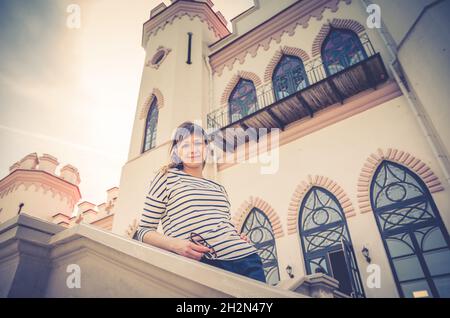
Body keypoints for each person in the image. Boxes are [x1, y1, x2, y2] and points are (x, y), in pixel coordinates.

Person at [134, 121, 266, 283]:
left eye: (198, 143)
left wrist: (238, 236)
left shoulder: (219, 188)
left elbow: (220, 224)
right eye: (185, 145)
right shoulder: (166, 178)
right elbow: (143, 231)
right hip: (202, 263)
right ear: (176, 151)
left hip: (248, 260)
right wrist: (176, 245)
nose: (193, 150)